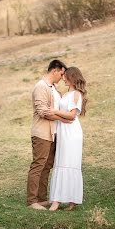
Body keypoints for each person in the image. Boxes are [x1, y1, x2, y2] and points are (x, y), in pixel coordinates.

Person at [26, 59, 70, 210]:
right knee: (38, 165)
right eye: (62, 74)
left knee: (47, 166)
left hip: (53, 133)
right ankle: (32, 201)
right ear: (54, 71)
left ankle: (41, 198)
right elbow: (43, 111)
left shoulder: (54, 89)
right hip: (42, 133)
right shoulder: (41, 86)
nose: (63, 77)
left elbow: (55, 109)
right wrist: (62, 119)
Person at [46, 66, 87, 211]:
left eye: (65, 76)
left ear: (72, 77)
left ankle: (58, 201)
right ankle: (69, 200)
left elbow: (71, 115)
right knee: (61, 162)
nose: (63, 78)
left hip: (71, 133)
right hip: (63, 132)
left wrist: (55, 111)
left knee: (68, 163)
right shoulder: (66, 94)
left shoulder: (76, 94)